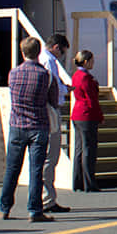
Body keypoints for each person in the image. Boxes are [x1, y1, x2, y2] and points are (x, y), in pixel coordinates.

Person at [0, 35, 60, 223]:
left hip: (17, 125)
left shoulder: (13, 73)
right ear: (39, 52)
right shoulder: (46, 75)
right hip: (38, 126)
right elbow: (53, 101)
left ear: (23, 53)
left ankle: (4, 207)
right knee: (36, 170)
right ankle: (34, 210)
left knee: (12, 169)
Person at [38, 33, 72, 214]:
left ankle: (44, 197)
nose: (61, 57)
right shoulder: (49, 61)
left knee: (44, 158)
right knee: (50, 157)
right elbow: (53, 85)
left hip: (42, 110)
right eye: (62, 53)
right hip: (50, 109)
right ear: (56, 47)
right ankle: (47, 199)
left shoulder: (41, 58)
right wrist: (66, 88)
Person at [69, 49, 103, 192]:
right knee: (89, 148)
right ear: (86, 61)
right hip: (87, 115)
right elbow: (92, 99)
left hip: (77, 114)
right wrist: (100, 116)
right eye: (91, 61)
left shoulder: (76, 75)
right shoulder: (85, 78)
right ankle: (89, 183)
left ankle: (77, 181)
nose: (93, 63)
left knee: (79, 149)